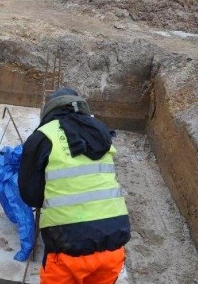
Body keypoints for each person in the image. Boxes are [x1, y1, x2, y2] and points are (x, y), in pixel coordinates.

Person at [18, 87, 131, 284]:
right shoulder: (101, 132)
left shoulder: (43, 136)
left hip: (67, 250)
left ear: (50, 110)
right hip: (113, 247)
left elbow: (30, 195)